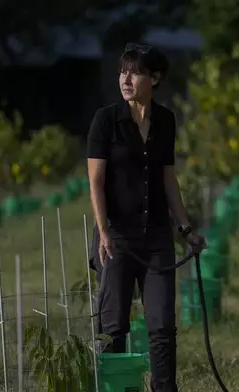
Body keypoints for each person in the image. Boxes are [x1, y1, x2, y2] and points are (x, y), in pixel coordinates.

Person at [86, 43, 204, 392]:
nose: (126, 78)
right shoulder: (105, 121)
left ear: (154, 78)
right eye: (123, 71)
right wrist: (104, 232)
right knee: (113, 327)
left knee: (162, 325)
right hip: (117, 238)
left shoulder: (165, 120)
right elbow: (95, 181)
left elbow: (168, 177)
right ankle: (114, 388)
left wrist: (185, 228)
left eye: (134, 72)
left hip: (155, 239)